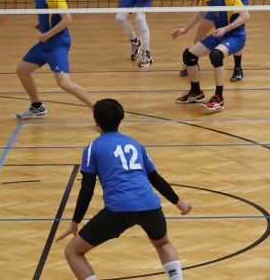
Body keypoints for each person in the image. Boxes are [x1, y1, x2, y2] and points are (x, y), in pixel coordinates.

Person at [56, 98, 191, 280]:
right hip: (150, 205)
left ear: (96, 121)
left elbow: (87, 188)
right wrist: (178, 201)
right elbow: (154, 178)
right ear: (120, 119)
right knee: (163, 243)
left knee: (73, 252)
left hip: (118, 209)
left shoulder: (93, 147)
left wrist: (75, 222)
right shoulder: (135, 144)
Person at [16, 0, 95, 119]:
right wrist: (43, 24)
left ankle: (97, 109)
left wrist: (47, 34)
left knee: (64, 83)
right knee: (22, 71)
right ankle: (37, 106)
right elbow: (52, 15)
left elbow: (67, 20)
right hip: (45, 44)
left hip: (57, 44)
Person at [170, 0, 250, 112]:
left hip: (235, 36)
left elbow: (245, 16)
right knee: (189, 55)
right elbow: (201, 12)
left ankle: (219, 98)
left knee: (216, 55)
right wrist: (186, 29)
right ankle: (196, 93)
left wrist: (225, 29)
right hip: (220, 35)